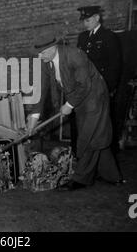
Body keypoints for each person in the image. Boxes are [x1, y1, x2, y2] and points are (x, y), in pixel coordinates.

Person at [28, 36, 124, 191]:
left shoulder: (75, 55)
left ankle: (81, 179)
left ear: (53, 48)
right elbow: (41, 90)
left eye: (42, 53)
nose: (39, 56)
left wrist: (69, 104)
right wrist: (34, 118)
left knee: (87, 137)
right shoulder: (45, 62)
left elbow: (85, 85)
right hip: (78, 98)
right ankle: (112, 175)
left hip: (94, 96)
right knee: (96, 134)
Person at [77, 6, 122, 152]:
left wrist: (109, 89)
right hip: (86, 89)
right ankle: (88, 154)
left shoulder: (109, 36)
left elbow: (115, 66)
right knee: (87, 125)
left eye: (88, 20)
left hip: (102, 88)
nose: (85, 24)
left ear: (97, 18)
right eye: (83, 21)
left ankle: (107, 154)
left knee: (103, 126)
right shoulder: (82, 37)